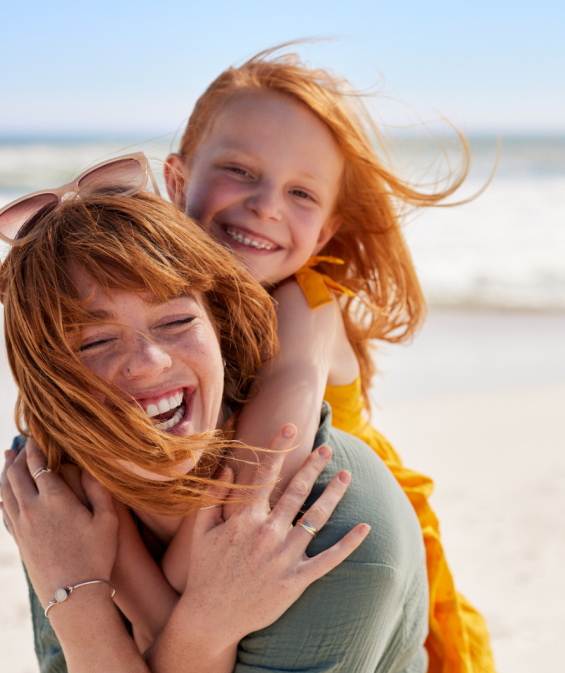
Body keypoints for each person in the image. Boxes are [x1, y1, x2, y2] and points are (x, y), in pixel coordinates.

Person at [0, 155, 428, 672]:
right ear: (46, 376)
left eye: (176, 320)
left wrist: (82, 601)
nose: (150, 362)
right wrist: (194, 621)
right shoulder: (52, 507)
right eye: (97, 340)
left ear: (218, 325)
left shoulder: (330, 525)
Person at [162, 46, 496, 673]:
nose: (266, 204)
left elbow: (268, 463)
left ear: (325, 234)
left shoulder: (306, 305)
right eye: (239, 168)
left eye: (301, 193)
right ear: (178, 179)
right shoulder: (161, 303)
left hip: (351, 552)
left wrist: (167, 582)